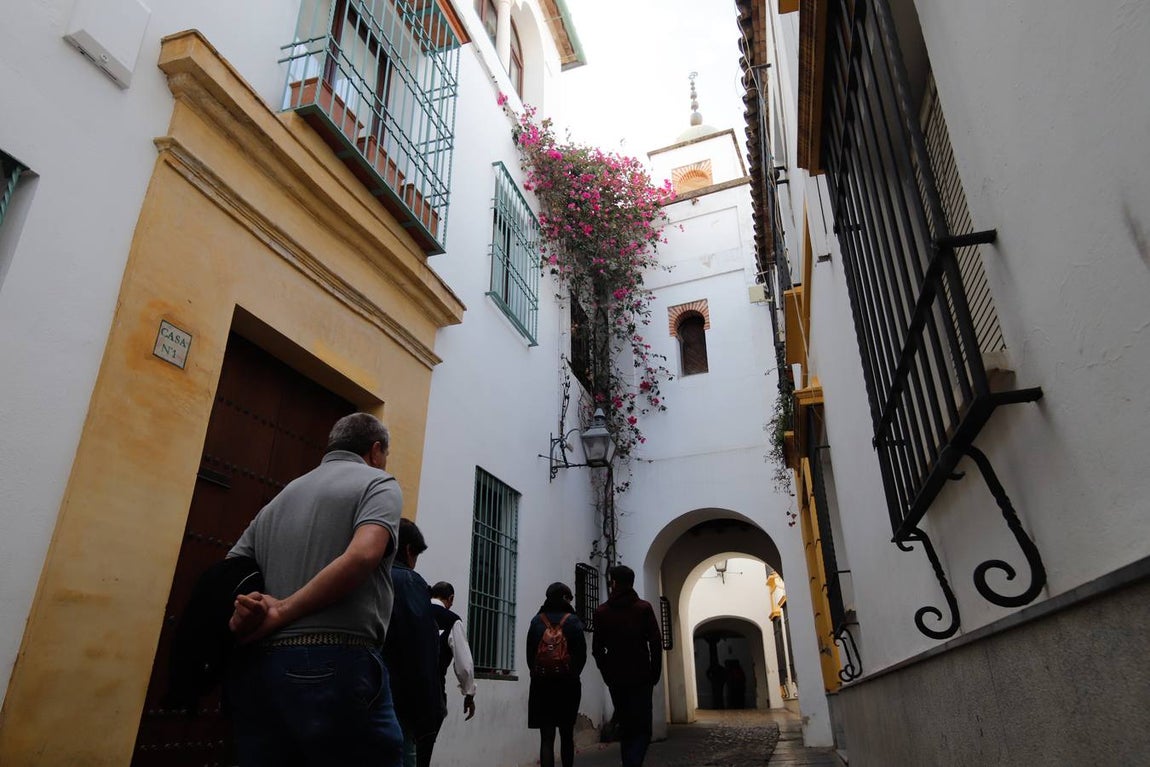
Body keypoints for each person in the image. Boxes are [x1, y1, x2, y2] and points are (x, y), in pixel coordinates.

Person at [224, 412, 404, 767]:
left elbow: (232, 567)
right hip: (339, 663)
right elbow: (364, 554)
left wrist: (247, 611)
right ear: (376, 450)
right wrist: (283, 610)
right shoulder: (378, 484)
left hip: (265, 667)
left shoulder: (281, 498)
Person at [383, 519, 444, 767]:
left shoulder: (361, 573)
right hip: (398, 702)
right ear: (408, 550)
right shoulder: (410, 582)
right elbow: (422, 651)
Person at [592, 565, 662, 767]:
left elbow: (597, 649)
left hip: (616, 677)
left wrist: (606, 672)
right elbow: (655, 642)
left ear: (613, 582)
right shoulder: (643, 608)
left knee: (626, 725)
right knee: (642, 728)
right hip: (641, 675)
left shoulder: (602, 612)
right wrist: (654, 672)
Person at [526, 582, 587, 767]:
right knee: (566, 735)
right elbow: (581, 655)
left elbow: (530, 655)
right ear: (564, 598)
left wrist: (538, 675)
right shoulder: (573, 621)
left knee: (546, 737)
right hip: (567, 686)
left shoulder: (537, 621)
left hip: (541, 685)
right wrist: (572, 674)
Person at [425, 581, 477, 766]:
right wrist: (469, 693)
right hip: (432, 688)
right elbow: (464, 665)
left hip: (400, 685)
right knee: (425, 745)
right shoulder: (452, 619)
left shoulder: (414, 610)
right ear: (451, 598)